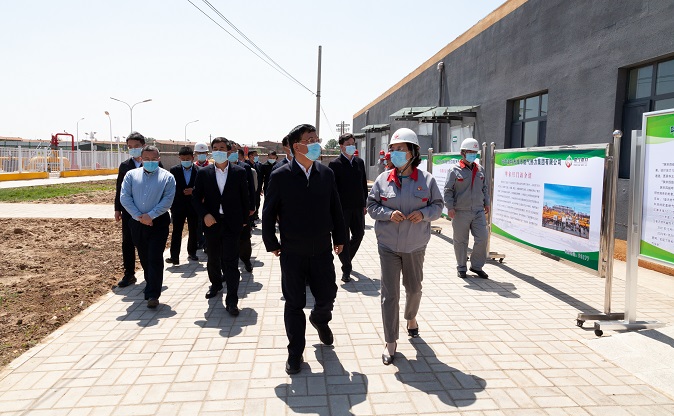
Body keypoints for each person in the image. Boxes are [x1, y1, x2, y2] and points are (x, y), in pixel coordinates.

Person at [262, 123, 346, 375]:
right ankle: (295, 351)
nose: (316, 143)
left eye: (316, 138)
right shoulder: (280, 176)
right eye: (310, 140)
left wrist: (340, 237)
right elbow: (269, 212)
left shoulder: (326, 173)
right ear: (296, 146)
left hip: (322, 249)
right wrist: (271, 242)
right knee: (294, 303)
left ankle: (320, 320)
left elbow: (336, 207)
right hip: (292, 252)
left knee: (327, 295)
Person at [367, 128, 443, 365]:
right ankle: (390, 341)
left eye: (400, 149)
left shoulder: (427, 180)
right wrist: (388, 214)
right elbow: (371, 207)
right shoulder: (383, 179)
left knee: (414, 289)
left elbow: (438, 206)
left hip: (415, 246)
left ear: (413, 152)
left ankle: (411, 318)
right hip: (388, 245)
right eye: (393, 149)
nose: (395, 153)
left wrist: (424, 214)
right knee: (389, 295)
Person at [191, 137, 250, 316]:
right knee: (213, 258)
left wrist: (244, 220)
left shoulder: (239, 172)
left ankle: (232, 300)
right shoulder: (204, 173)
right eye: (215, 148)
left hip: (232, 223)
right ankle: (216, 284)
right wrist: (205, 215)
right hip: (212, 223)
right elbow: (195, 198)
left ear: (228, 151)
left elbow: (244, 197)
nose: (218, 151)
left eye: (222, 148)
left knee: (231, 261)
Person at [120, 145, 176, 308]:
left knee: (155, 256)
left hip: (158, 222)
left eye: (153, 159)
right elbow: (125, 197)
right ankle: (150, 283)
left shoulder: (167, 177)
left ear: (158, 159)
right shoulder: (131, 175)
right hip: (136, 222)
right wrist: (139, 216)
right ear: (141, 159)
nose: (150, 162)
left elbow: (167, 200)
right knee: (144, 256)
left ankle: (153, 294)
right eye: (146, 159)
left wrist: (151, 215)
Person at [443, 137, 490, 280]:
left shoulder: (480, 169)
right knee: (461, 241)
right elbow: (448, 190)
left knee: (483, 238)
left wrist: (487, 203)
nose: (472, 155)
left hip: (478, 210)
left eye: (474, 152)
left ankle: (476, 266)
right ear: (462, 153)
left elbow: (485, 188)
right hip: (460, 211)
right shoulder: (454, 170)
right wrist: (450, 207)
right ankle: (461, 267)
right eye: (469, 152)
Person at [328, 133, 368, 282]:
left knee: (359, 234)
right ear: (341, 146)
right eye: (348, 144)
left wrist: (364, 203)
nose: (351, 146)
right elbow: (332, 189)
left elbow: (363, 184)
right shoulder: (335, 164)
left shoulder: (359, 162)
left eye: (353, 143)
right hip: (342, 209)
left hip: (358, 207)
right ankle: (346, 269)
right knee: (342, 238)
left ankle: (346, 260)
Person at [114, 132, 149, 287]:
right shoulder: (125, 166)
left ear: (143, 146)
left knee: (145, 242)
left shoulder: (152, 163)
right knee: (127, 242)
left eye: (136, 146)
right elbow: (119, 189)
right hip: (128, 211)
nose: (133, 149)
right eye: (130, 147)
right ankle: (129, 274)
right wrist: (117, 209)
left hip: (147, 211)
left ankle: (150, 273)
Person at [166, 146, 199, 265]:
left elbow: (201, 187)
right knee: (177, 231)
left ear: (192, 158)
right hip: (178, 206)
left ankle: (192, 252)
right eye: (183, 159)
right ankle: (174, 256)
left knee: (193, 230)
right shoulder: (174, 170)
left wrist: (193, 191)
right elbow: (171, 186)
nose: (185, 161)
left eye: (188, 159)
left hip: (193, 206)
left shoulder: (199, 171)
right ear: (179, 158)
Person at [234, 145, 256, 272]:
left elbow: (251, 189)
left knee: (245, 237)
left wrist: (252, 206)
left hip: (243, 208)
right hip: (225, 210)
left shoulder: (245, 167)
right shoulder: (217, 169)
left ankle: (246, 260)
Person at [246, 150, 263, 221]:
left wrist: (260, 188)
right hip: (250, 189)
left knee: (257, 203)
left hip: (257, 188)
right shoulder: (246, 166)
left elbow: (260, 178)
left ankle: (254, 217)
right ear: (250, 156)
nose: (257, 157)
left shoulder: (257, 165)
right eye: (255, 155)